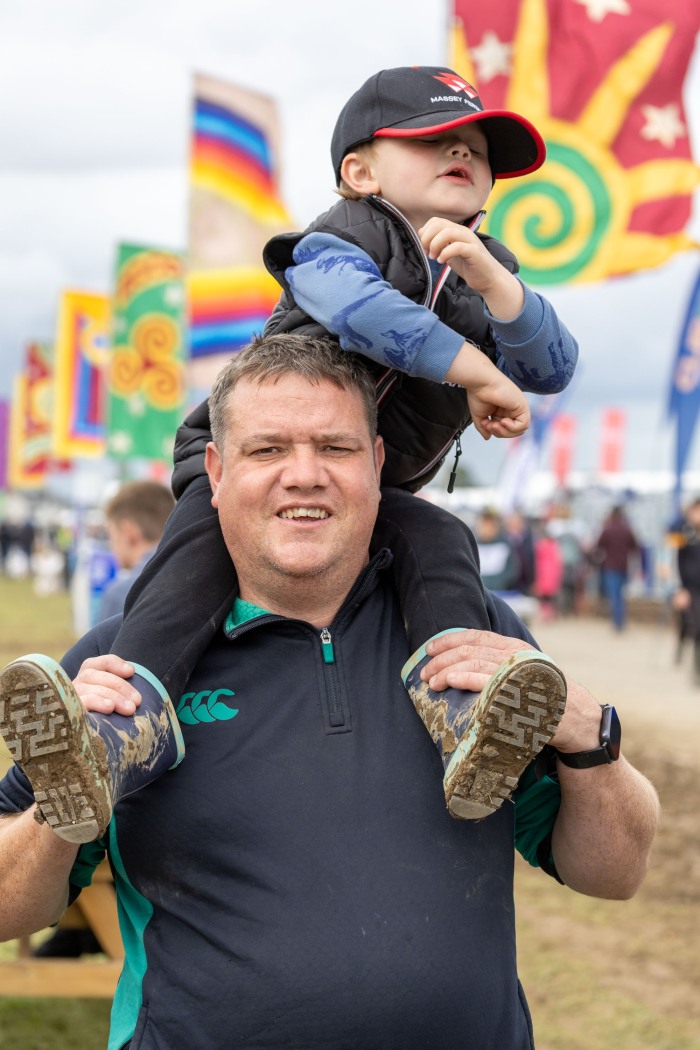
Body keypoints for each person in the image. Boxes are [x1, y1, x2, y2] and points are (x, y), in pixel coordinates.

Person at [0, 338, 659, 1049]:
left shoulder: (476, 642)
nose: (304, 476)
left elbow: (614, 874)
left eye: (335, 448)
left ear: (377, 464)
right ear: (215, 472)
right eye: (268, 450)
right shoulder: (126, 668)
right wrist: (62, 809)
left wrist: (591, 736)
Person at [0, 65, 579, 824]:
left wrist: (498, 286)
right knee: (192, 570)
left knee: (442, 542)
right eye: (433, 140)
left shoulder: (485, 270)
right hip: (248, 461)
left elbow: (551, 367)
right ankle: (121, 727)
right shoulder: (347, 235)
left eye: (477, 148)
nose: (462, 153)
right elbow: (361, 311)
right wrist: (477, 370)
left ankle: (461, 715)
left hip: (370, 484)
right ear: (360, 172)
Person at [97, 480, 175, 622]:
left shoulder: (120, 596)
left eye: (111, 535)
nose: (111, 545)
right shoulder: (193, 577)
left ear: (129, 533)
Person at [594, 505, 640, 632]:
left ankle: (617, 622)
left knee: (614, 595)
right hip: (624, 566)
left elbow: (598, 546)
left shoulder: (607, 529)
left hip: (610, 566)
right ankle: (621, 621)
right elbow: (635, 547)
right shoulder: (627, 529)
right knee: (620, 595)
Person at [672, 497, 700, 683]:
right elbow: (677, 560)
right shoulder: (683, 532)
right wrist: (681, 589)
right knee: (694, 626)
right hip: (690, 588)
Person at [475, 507, 519, 592]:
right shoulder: (473, 545)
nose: (487, 528)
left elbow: (512, 570)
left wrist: (499, 583)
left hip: (501, 592)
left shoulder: (505, 545)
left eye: (489, 525)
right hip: (479, 593)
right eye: (484, 525)